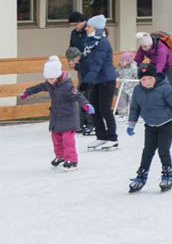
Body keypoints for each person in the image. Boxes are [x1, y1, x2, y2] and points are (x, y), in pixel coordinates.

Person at [125, 64, 172, 193]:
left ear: (155, 77)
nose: (147, 82)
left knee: (163, 150)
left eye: (150, 78)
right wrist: (131, 123)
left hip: (166, 123)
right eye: (143, 80)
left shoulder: (165, 88)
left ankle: (168, 174)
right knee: (147, 151)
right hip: (150, 125)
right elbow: (135, 108)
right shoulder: (138, 91)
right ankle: (141, 175)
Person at [19, 56, 93, 172]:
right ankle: (61, 156)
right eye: (48, 79)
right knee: (56, 138)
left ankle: (72, 160)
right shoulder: (50, 83)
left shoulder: (67, 85)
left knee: (68, 140)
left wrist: (86, 104)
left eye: (52, 79)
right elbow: (39, 87)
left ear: (58, 76)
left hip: (68, 115)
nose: (50, 81)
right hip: (56, 115)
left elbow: (78, 95)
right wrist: (27, 92)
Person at [80, 15, 119, 150]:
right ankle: (101, 136)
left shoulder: (102, 42)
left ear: (96, 28)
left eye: (88, 26)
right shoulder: (89, 41)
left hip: (107, 80)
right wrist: (79, 66)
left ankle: (112, 138)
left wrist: (87, 81)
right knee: (94, 109)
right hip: (97, 80)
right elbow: (87, 62)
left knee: (105, 109)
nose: (86, 28)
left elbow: (97, 63)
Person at [114, 51, 138, 117]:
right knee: (122, 103)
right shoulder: (119, 67)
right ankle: (122, 115)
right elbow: (116, 74)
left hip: (132, 89)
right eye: (120, 60)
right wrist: (115, 77)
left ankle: (134, 116)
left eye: (122, 61)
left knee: (133, 103)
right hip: (122, 88)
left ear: (128, 61)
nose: (120, 62)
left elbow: (137, 76)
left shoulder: (133, 67)